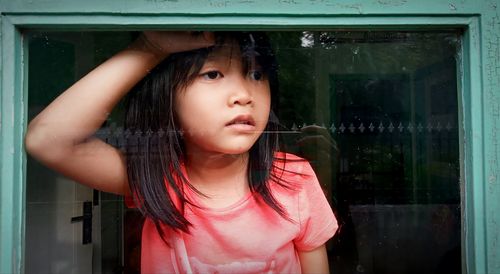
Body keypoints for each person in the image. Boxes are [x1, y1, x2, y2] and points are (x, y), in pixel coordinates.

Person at [25, 31, 338, 273]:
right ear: (167, 96)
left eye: (256, 75)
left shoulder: (293, 178)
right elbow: (47, 140)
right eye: (213, 74)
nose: (244, 95)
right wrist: (150, 48)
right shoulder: (158, 178)